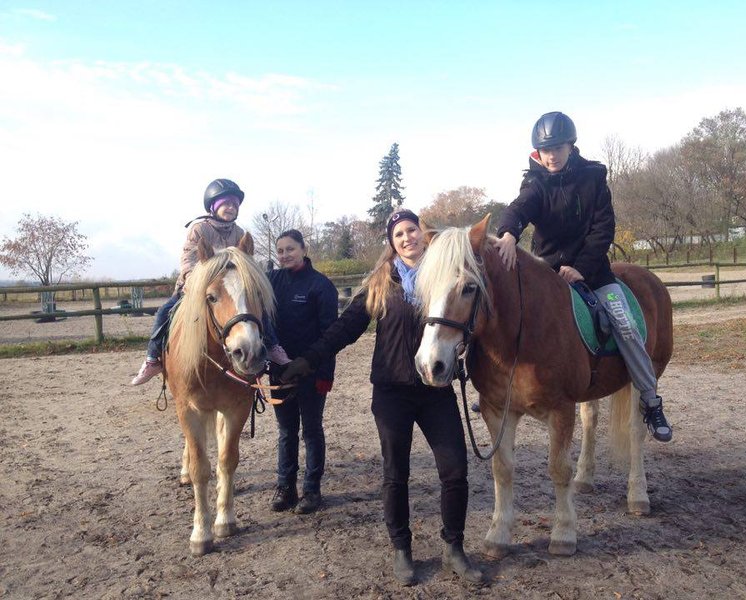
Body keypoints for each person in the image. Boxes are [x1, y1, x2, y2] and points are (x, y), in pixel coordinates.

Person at [280, 210, 483, 586]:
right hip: (392, 392)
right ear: (392, 242)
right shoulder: (381, 282)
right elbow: (345, 328)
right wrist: (307, 361)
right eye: (399, 234)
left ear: (423, 234)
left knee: (455, 470)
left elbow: (469, 320)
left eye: (412, 230)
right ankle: (402, 548)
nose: (407, 238)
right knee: (396, 474)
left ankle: (454, 548)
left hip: (436, 392)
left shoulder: (445, 277)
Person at [494, 111, 673, 442]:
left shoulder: (593, 177)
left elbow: (603, 229)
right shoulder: (535, 182)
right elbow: (519, 208)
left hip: (592, 272)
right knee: (505, 315)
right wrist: (508, 233)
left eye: (557, 148)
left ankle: (650, 399)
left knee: (625, 324)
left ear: (570, 146)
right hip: (546, 273)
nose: (551, 156)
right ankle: (498, 387)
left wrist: (582, 268)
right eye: (545, 150)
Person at [131, 178, 287, 385]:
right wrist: (191, 280)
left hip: (233, 287)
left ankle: (272, 346)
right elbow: (188, 259)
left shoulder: (239, 233)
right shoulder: (199, 229)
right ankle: (152, 358)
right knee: (164, 312)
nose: (231, 208)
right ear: (213, 207)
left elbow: (246, 263)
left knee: (259, 310)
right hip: (198, 286)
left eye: (234, 205)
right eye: (226, 204)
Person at [267, 229, 339, 515]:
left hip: (311, 371)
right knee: (286, 431)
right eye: (280, 251)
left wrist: (325, 374)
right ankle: (286, 487)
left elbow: (330, 335)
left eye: (290, 249)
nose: (285, 255)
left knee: (311, 430)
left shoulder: (321, 286)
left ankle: (311, 489)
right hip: (280, 370)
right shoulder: (271, 281)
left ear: (303, 249)